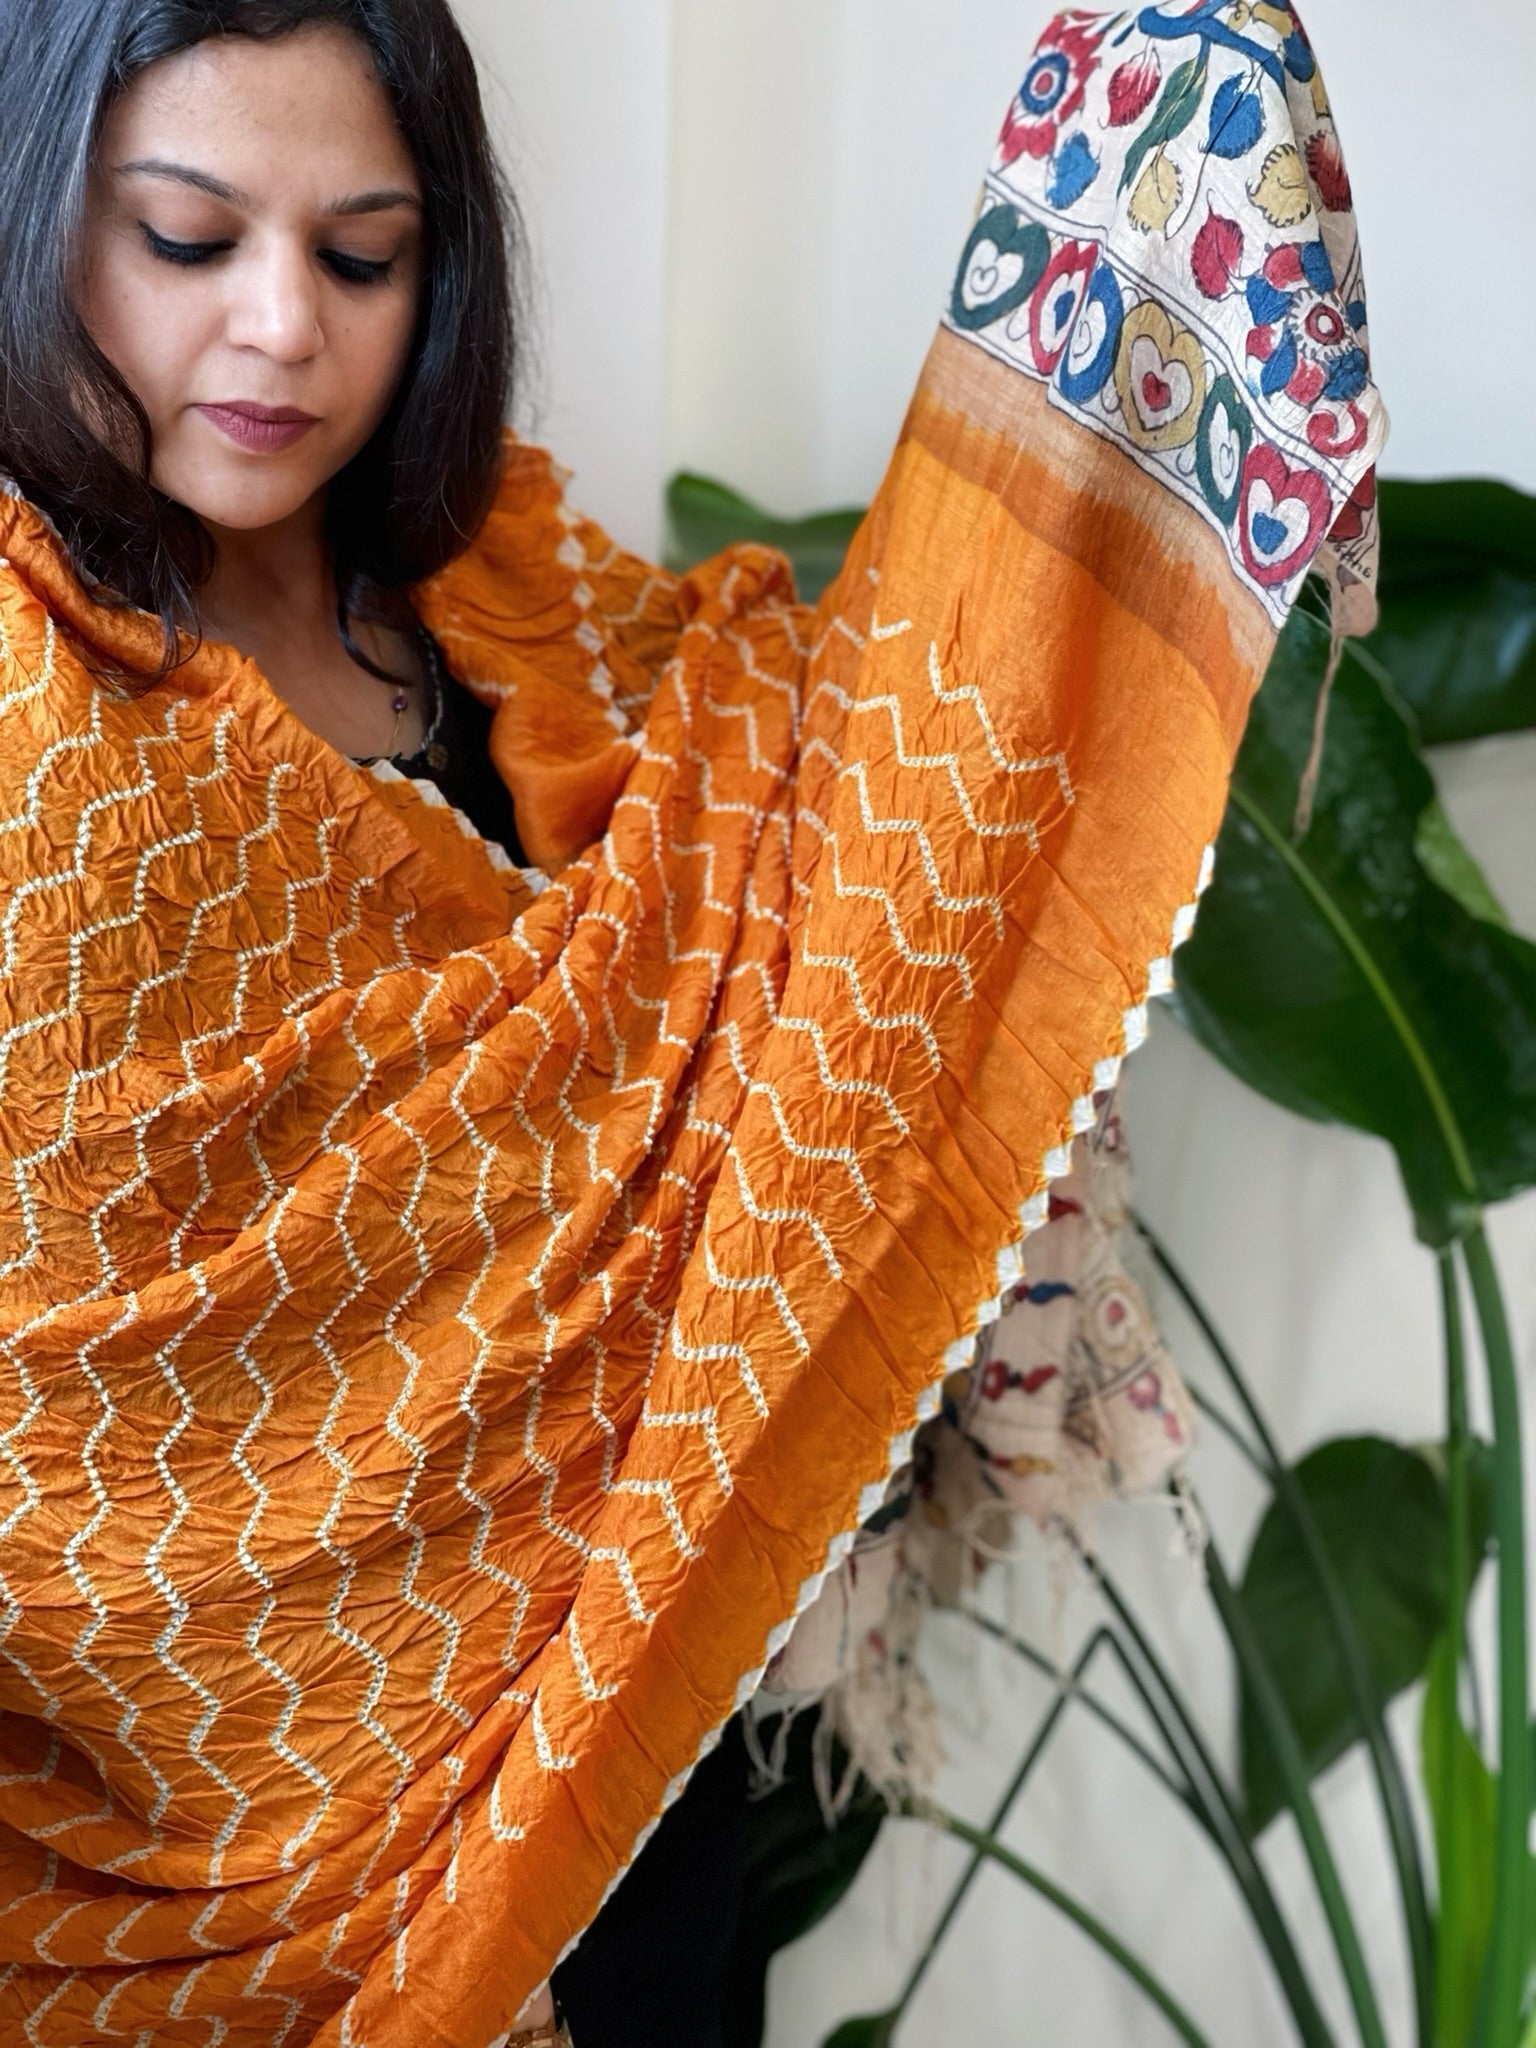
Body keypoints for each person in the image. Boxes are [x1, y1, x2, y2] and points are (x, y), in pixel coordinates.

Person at [0, 3, 1382, 2044]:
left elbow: (854, 876)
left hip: (650, 1776)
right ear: (37, 212)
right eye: (188, 241)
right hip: (217, 1890)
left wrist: (1135, 243)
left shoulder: (506, 584)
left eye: (364, 254)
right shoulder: (31, 714)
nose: (285, 326)